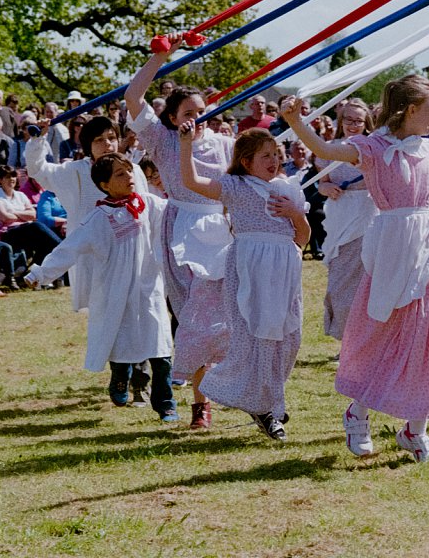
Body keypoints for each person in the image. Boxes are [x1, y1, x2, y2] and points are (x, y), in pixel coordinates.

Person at [280, 75, 429, 463]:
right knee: (383, 330)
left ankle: (416, 429)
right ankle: (357, 412)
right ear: (410, 111)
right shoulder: (373, 148)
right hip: (391, 245)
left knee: (427, 334)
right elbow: (323, 147)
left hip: (427, 248)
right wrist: (296, 123)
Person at [126, 35, 234, 430]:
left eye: (202, 111)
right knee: (194, 317)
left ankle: (231, 389)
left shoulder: (225, 144)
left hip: (222, 231)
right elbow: (133, 97)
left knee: (225, 317)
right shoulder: (162, 139)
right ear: (172, 117)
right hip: (181, 230)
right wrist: (160, 57)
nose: (196, 118)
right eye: (188, 112)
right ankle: (200, 404)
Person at [178, 124, 309, 441]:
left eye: (276, 155)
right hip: (251, 269)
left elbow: (302, 240)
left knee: (289, 339)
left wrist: (295, 214)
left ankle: (265, 397)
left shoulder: (287, 191)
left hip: (283, 273)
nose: (273, 161)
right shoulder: (235, 186)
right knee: (257, 337)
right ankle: (265, 407)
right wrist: (184, 145)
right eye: (265, 156)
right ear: (247, 161)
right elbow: (191, 181)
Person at [25, 154, 178, 422]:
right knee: (120, 340)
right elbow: (68, 249)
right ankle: (120, 377)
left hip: (147, 287)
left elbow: (178, 212)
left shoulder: (149, 205)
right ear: (104, 185)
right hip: (115, 292)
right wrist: (41, 272)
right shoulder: (98, 218)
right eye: (120, 174)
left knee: (160, 346)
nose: (129, 177)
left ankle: (165, 403)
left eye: (129, 171)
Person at [313, 99, 377, 346]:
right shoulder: (329, 149)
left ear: (366, 123)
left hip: (368, 215)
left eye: (358, 120)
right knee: (339, 280)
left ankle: (364, 341)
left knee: (365, 279)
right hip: (340, 215)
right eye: (348, 119)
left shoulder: (372, 148)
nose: (352, 124)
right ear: (341, 121)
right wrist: (327, 187)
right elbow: (321, 183)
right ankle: (346, 337)